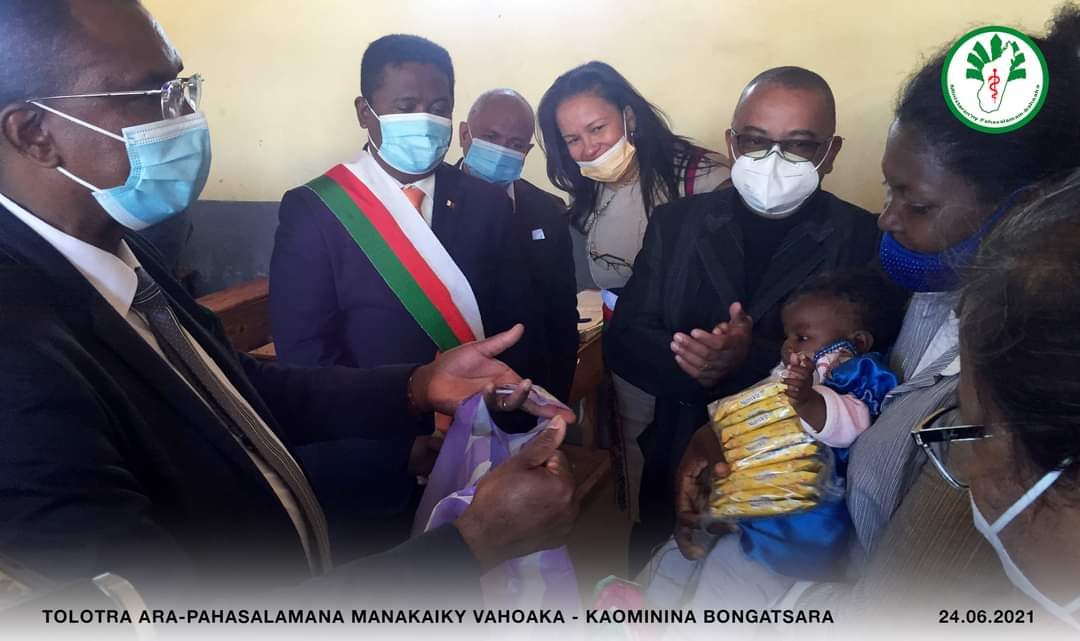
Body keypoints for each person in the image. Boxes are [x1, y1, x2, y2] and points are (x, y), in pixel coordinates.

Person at [0, 0, 577, 607]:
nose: (186, 117)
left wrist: (415, 385)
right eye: (151, 94)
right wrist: (473, 544)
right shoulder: (17, 354)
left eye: (181, 88)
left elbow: (237, 384)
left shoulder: (123, 252)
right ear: (34, 133)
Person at [662, 7, 1080, 613]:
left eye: (917, 204)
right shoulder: (926, 293)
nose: (887, 219)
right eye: (889, 190)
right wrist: (729, 429)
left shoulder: (1017, 373)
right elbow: (836, 371)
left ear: (1022, 210)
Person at [268, 35, 539, 554]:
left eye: (439, 108)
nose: (425, 120)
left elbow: (514, 322)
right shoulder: (316, 210)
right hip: (369, 461)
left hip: (478, 444)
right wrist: (398, 445)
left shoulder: (486, 205)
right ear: (365, 112)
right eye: (406, 106)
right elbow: (307, 358)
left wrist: (504, 416)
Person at [605, 66, 881, 572]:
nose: (773, 159)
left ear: (830, 152)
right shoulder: (677, 224)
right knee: (655, 583)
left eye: (798, 145)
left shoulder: (863, 238)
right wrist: (695, 364)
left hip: (792, 487)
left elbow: (871, 364)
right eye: (755, 140)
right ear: (732, 143)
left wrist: (747, 359)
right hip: (676, 454)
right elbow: (624, 340)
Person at [536, 61, 730, 524]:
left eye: (597, 128)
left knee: (708, 473)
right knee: (644, 465)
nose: (588, 148)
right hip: (632, 358)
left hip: (700, 356)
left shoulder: (703, 179)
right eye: (572, 139)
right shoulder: (591, 187)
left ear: (629, 116)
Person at [456, 88, 578, 403]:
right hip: (454, 390)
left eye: (515, 145)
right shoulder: (429, 205)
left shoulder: (549, 210)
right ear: (465, 135)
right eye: (490, 137)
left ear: (527, 150)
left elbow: (562, 317)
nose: (501, 151)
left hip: (532, 389)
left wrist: (555, 396)